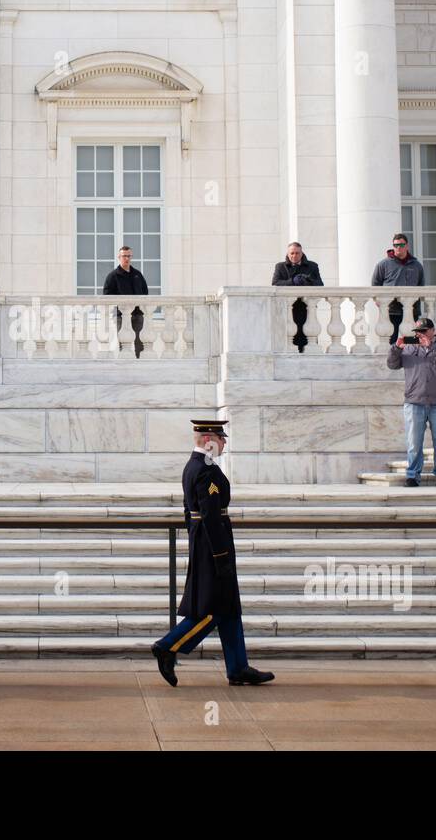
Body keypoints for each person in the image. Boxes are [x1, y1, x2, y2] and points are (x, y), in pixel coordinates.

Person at [151, 419, 273, 687]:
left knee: (228, 608)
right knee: (210, 609)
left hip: (203, 543)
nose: (224, 443)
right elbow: (210, 516)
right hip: (213, 547)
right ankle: (168, 646)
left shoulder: (193, 466)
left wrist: (197, 540)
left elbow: (188, 512)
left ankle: (238, 666)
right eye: (221, 438)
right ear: (209, 439)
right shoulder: (206, 470)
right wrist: (220, 556)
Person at [387, 318, 436, 487]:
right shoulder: (409, 347)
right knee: (413, 442)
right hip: (414, 401)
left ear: (433, 331)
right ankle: (412, 476)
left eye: (424, 331)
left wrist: (430, 347)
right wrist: (396, 348)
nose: (420, 334)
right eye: (418, 331)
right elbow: (392, 364)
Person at [372, 232, 426, 342]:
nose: (398, 248)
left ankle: (409, 359)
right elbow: (375, 284)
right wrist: (376, 300)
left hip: (412, 309)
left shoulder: (417, 265)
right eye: (395, 245)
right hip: (391, 310)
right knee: (390, 342)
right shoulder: (383, 264)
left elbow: (421, 286)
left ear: (407, 246)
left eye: (401, 245)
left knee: (411, 342)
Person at [271, 241, 323, 352]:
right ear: (288, 254)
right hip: (288, 309)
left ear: (302, 253)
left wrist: (307, 281)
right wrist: (292, 281)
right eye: (292, 253)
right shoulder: (280, 267)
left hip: (307, 309)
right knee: (290, 339)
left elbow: (320, 285)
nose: (294, 256)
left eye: (297, 253)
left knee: (308, 339)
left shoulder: (312, 266)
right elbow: (275, 283)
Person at [102, 246, 149, 356]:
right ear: (119, 257)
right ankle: (124, 365)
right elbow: (106, 295)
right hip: (120, 315)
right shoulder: (112, 276)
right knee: (122, 342)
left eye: (129, 256)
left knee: (140, 343)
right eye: (124, 256)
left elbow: (145, 292)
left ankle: (139, 365)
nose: (127, 258)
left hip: (137, 314)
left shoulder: (137, 274)